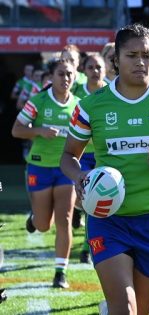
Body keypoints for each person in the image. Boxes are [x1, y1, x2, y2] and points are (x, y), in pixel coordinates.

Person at [60, 24, 149, 315]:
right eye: (131, 55)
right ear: (116, 59)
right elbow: (68, 156)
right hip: (108, 219)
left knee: (141, 310)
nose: (140, 62)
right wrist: (79, 176)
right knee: (124, 307)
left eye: (147, 55)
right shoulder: (91, 105)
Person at [12, 59, 80, 288]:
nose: (66, 79)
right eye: (61, 74)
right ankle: (34, 219)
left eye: (70, 74)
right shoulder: (38, 101)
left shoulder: (79, 105)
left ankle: (60, 272)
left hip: (66, 168)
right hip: (39, 166)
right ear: (51, 77)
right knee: (43, 224)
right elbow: (16, 130)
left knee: (65, 219)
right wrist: (40, 131)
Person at [71, 54, 108, 262]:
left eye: (99, 67)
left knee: (98, 200)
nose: (95, 71)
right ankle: (77, 210)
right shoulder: (76, 92)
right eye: (91, 67)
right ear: (84, 70)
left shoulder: (112, 90)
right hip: (82, 154)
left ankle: (87, 246)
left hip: (103, 155)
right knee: (82, 199)